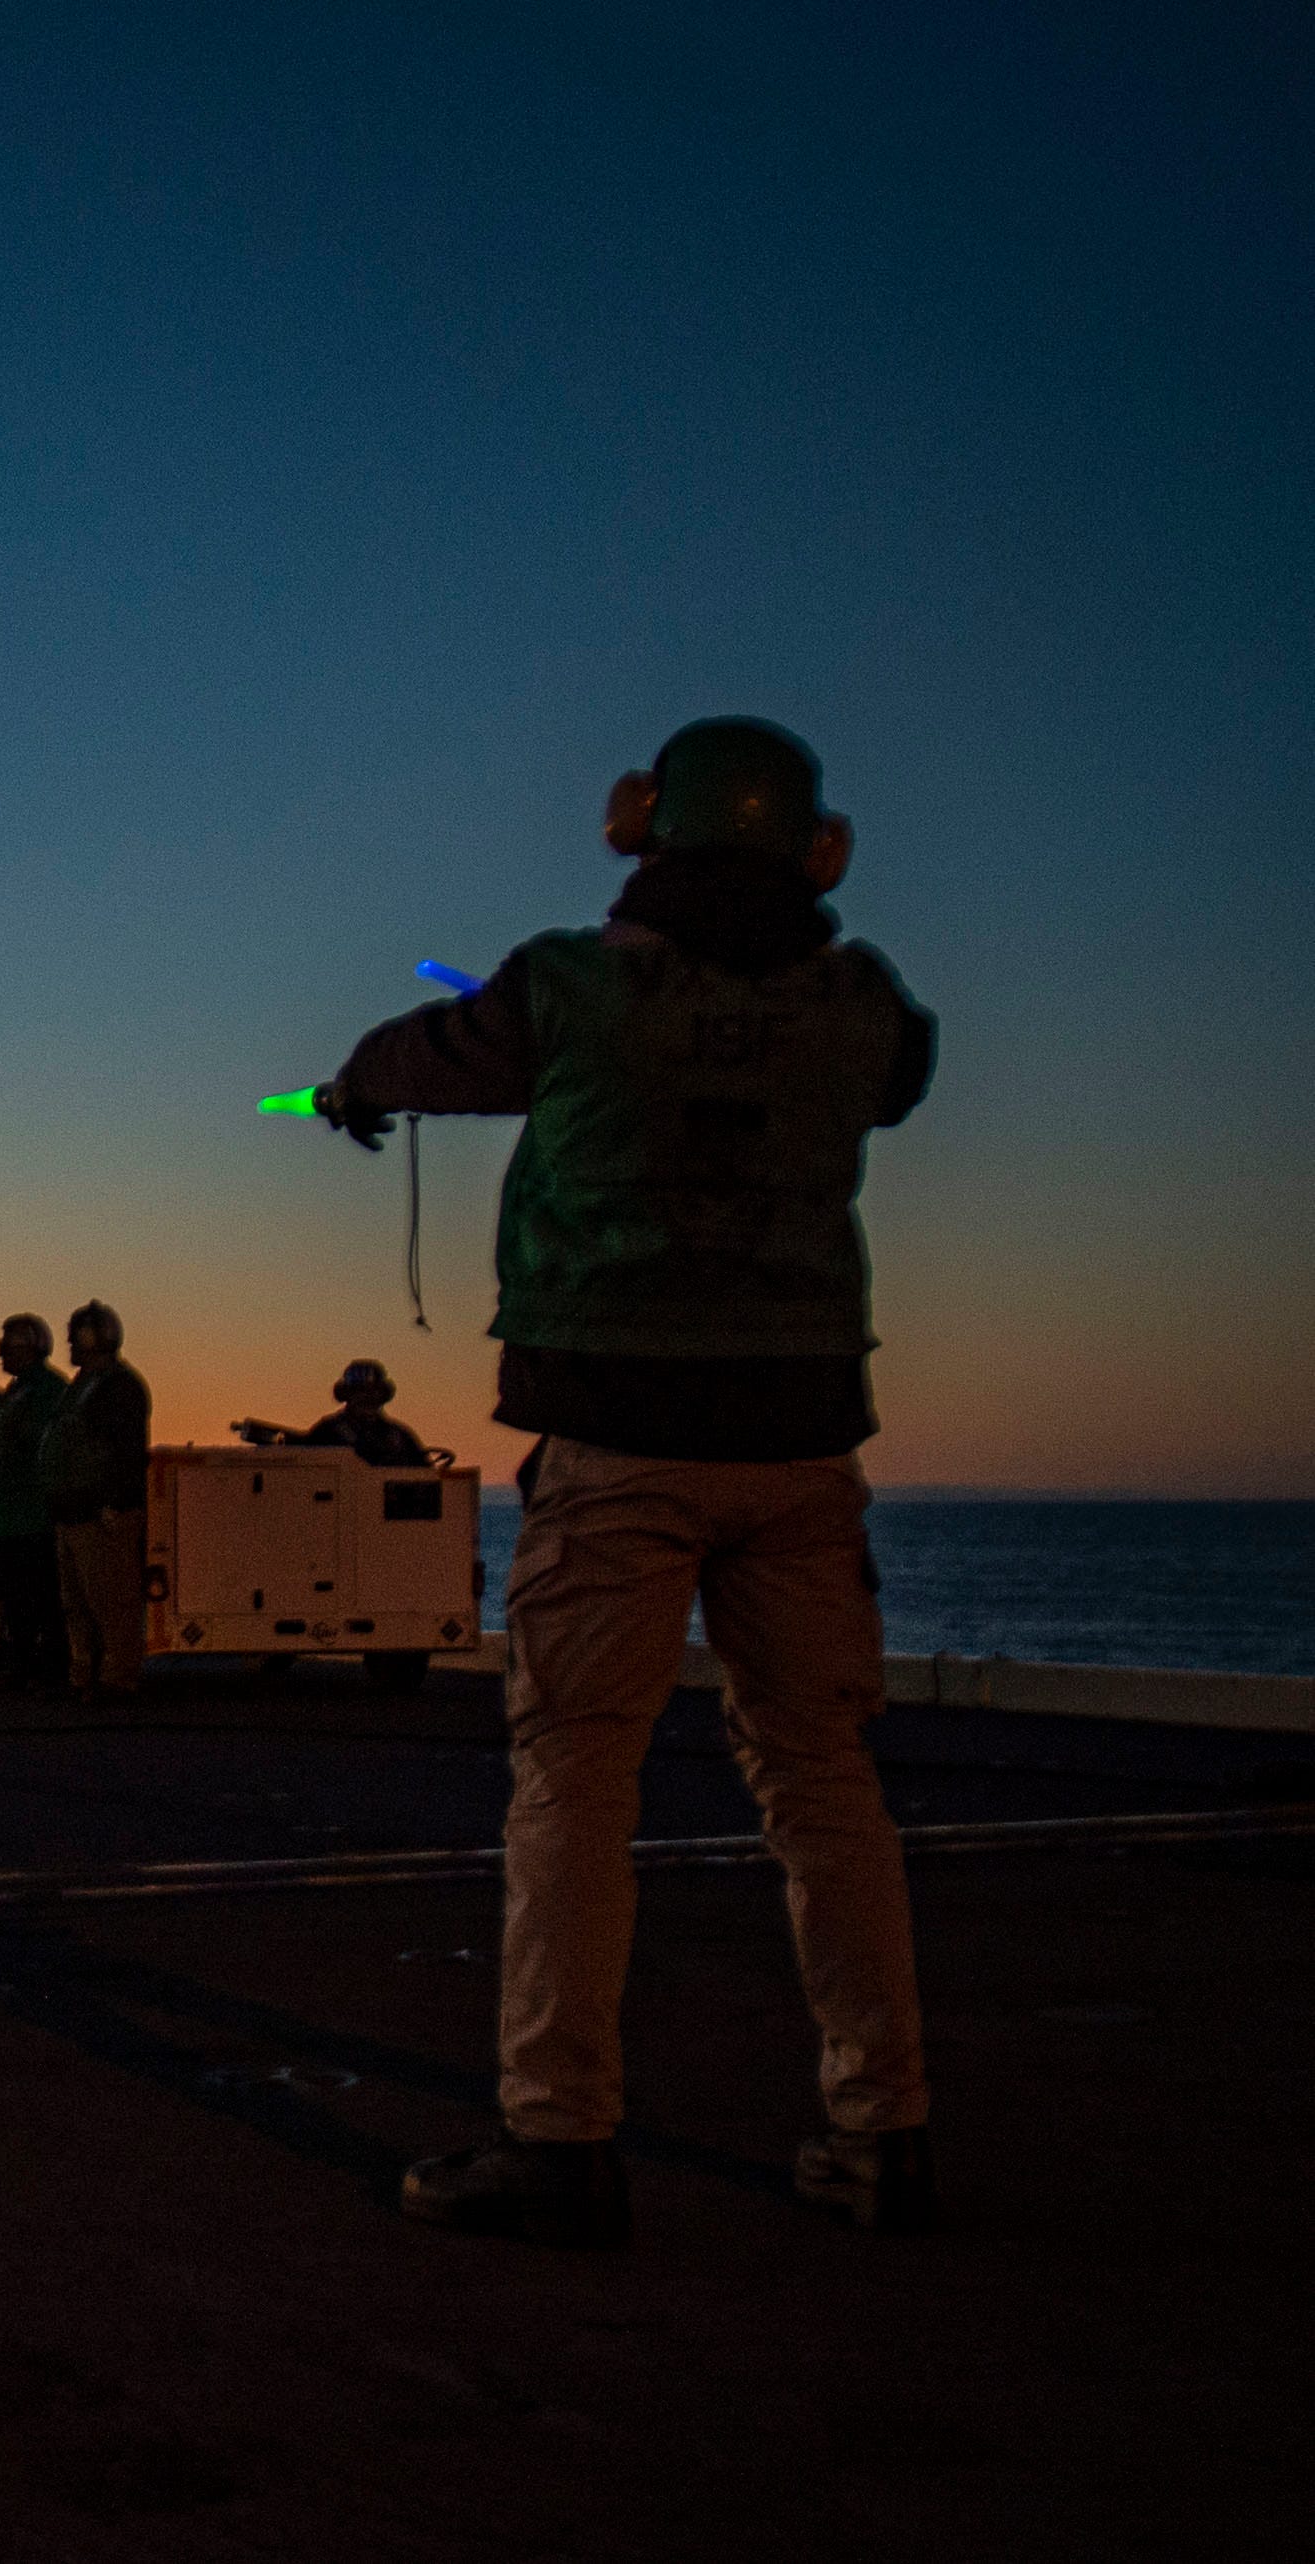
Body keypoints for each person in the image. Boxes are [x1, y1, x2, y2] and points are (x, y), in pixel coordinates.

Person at [320, 716, 939, 2248]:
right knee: (822, 1786)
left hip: (616, 1446)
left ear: (633, 831)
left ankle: (560, 2136)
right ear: (818, 851)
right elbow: (899, 1077)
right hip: (801, 1449)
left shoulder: (568, 983)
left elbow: (414, 1059)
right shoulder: (864, 1005)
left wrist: (351, 1085)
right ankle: (883, 2129)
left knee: (575, 1785)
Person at [43, 1300, 152, 1704]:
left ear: (95, 1336)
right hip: (72, 1512)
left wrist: (115, 1504)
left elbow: (126, 1452)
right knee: (78, 1604)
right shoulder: (82, 1386)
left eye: (77, 1334)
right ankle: (85, 1674)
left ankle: (119, 1678)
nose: (70, 1341)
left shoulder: (119, 1385)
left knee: (112, 1602)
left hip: (101, 1514)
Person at [0, 1314, 70, 1689]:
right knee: (16, 1601)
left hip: (32, 1517)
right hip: (4, 1516)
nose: (1, 1351)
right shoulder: (14, 1393)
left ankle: (51, 1669)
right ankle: (25, 1665)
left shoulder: (47, 1391)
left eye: (10, 1344)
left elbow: (33, 1447)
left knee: (42, 1598)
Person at [233, 1359, 432, 1468]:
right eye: (359, 1392)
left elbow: (426, 1476)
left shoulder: (400, 1436)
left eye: (373, 1392)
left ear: (382, 1396)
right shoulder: (329, 1431)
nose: (366, 1398)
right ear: (346, 1395)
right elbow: (303, 1458)